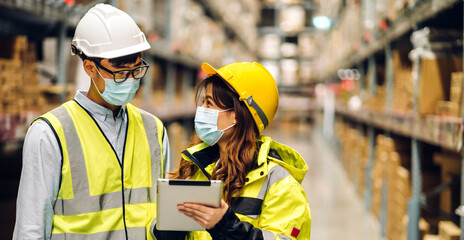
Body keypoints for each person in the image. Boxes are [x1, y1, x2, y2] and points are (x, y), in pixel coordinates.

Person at [13, 4, 169, 239]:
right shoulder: (50, 133)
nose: (129, 79)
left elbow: (163, 215)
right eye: (119, 70)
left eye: (136, 68)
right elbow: (31, 229)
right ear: (90, 68)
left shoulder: (153, 130)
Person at [153, 62, 311, 240]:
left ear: (237, 114)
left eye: (209, 103)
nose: (201, 110)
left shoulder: (280, 185)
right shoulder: (199, 169)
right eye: (202, 101)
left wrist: (228, 228)